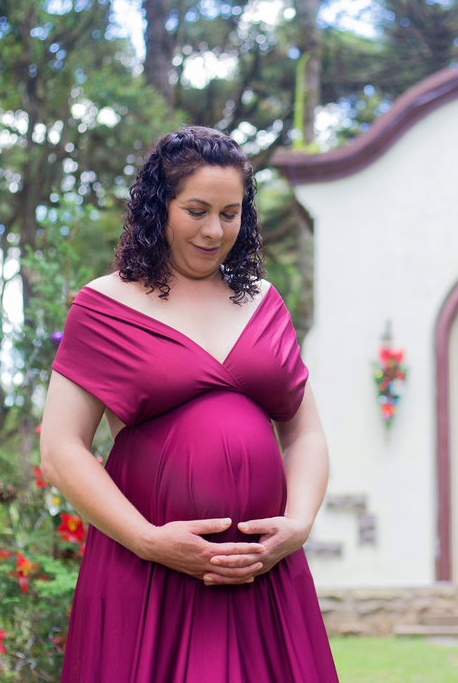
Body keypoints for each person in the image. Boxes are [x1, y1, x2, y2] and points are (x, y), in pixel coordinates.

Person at [38, 126, 338, 682]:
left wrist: (297, 524)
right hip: (150, 573)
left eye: (229, 214)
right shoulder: (104, 305)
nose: (214, 230)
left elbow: (306, 434)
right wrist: (148, 540)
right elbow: (60, 449)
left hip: (262, 575)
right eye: (196, 211)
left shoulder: (263, 302)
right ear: (160, 207)